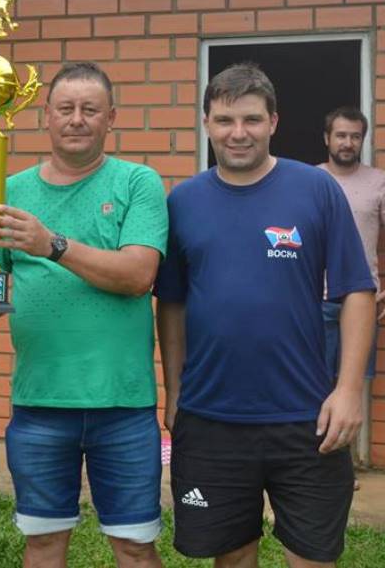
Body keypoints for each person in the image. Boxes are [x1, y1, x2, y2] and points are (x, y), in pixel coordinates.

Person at [155, 63, 375, 567]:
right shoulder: (184, 201)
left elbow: (357, 292)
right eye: (226, 120)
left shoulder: (315, 190)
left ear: (274, 121)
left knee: (313, 558)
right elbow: (172, 302)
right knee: (231, 558)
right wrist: (175, 390)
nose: (239, 133)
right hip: (212, 419)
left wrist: (346, 393)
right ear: (206, 123)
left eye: (252, 120)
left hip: (307, 418)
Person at [0, 62, 167, 567]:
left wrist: (51, 245)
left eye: (90, 109)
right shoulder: (9, 190)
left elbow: (137, 275)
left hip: (122, 405)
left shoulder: (138, 183)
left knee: (134, 543)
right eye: (66, 108)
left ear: (112, 117)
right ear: (46, 116)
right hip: (39, 402)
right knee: (42, 542)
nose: (77, 119)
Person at [319, 105, 383, 482]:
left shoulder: (378, 182)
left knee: (352, 383)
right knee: (313, 382)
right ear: (327, 138)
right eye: (340, 135)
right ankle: (314, 464)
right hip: (316, 299)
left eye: (355, 136)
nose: (347, 142)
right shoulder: (308, 180)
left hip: (361, 302)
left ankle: (341, 470)